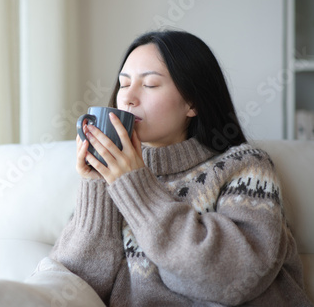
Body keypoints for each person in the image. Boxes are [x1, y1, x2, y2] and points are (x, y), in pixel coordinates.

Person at [50, 30, 312, 306]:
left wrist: (136, 187)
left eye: (150, 84)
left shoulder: (246, 166)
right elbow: (75, 284)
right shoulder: (113, 179)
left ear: (192, 102)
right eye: (123, 85)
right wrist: (97, 186)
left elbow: (234, 279)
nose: (128, 98)